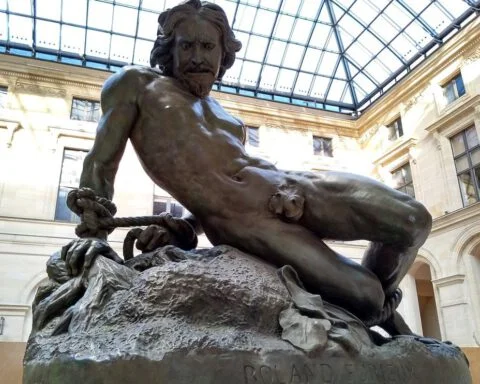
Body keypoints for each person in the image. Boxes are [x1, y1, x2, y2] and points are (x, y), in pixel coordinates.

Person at [59, 0, 431, 332]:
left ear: (224, 54)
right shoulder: (135, 84)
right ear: (169, 50)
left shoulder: (223, 113)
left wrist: (187, 226)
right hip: (246, 221)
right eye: (186, 45)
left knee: (413, 220)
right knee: (365, 296)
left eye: (208, 47)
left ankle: (378, 318)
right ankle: (379, 317)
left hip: (293, 186)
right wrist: (95, 238)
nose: (198, 57)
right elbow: (100, 161)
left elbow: (213, 183)